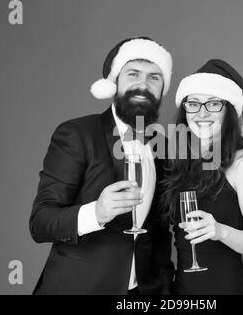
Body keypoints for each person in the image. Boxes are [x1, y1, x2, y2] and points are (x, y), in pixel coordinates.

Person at [29, 37, 174, 295]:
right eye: (133, 74)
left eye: (154, 77)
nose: (143, 84)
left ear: (163, 88)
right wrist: (96, 212)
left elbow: (159, 229)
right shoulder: (77, 133)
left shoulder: (160, 144)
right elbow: (41, 222)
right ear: (114, 81)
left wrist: (163, 285)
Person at [160, 59, 243, 295]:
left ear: (228, 110)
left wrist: (220, 231)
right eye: (194, 104)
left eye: (213, 104)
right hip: (182, 291)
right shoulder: (177, 162)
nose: (202, 113)